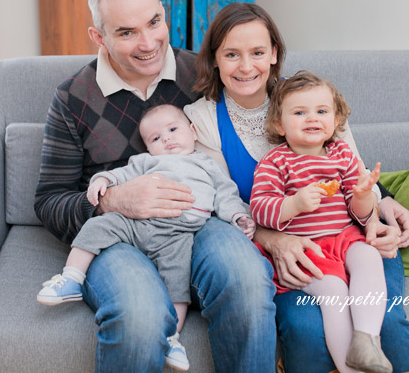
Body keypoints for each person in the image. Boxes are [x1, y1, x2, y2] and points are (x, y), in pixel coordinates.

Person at [34, 0, 277, 373]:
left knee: (249, 282)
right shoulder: (72, 97)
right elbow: (48, 200)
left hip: (200, 222)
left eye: (154, 23)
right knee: (140, 316)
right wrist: (112, 200)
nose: (148, 44)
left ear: (166, 15)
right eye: (126, 33)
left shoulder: (202, 74)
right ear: (99, 38)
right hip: (118, 237)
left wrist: (377, 201)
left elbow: (293, 118)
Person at [184, 2, 409, 373]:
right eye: (232, 54)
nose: (247, 67)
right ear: (214, 59)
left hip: (350, 235)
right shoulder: (202, 119)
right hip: (285, 245)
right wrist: (273, 239)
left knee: (386, 323)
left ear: (275, 54)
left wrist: (378, 209)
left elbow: (355, 176)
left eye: (258, 53)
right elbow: (222, 205)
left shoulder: (312, 98)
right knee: (306, 330)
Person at [38, 103, 256, 371]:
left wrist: (238, 216)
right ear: (148, 147)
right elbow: (121, 175)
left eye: (173, 129)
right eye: (155, 138)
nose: (166, 138)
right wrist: (102, 181)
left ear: (193, 131)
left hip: (179, 234)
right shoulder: (147, 162)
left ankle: (172, 336)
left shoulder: (207, 164)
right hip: (138, 223)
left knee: (176, 284)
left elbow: (226, 195)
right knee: (100, 226)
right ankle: (71, 278)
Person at [250, 71, 391, 373]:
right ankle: (350, 367)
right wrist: (294, 204)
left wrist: (364, 194)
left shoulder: (342, 154)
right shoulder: (275, 161)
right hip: (307, 249)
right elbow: (260, 209)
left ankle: (367, 340)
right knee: (334, 291)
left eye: (321, 111)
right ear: (279, 124)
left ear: (336, 120)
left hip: (344, 236)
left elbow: (360, 214)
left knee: (368, 256)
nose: (311, 118)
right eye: (299, 112)